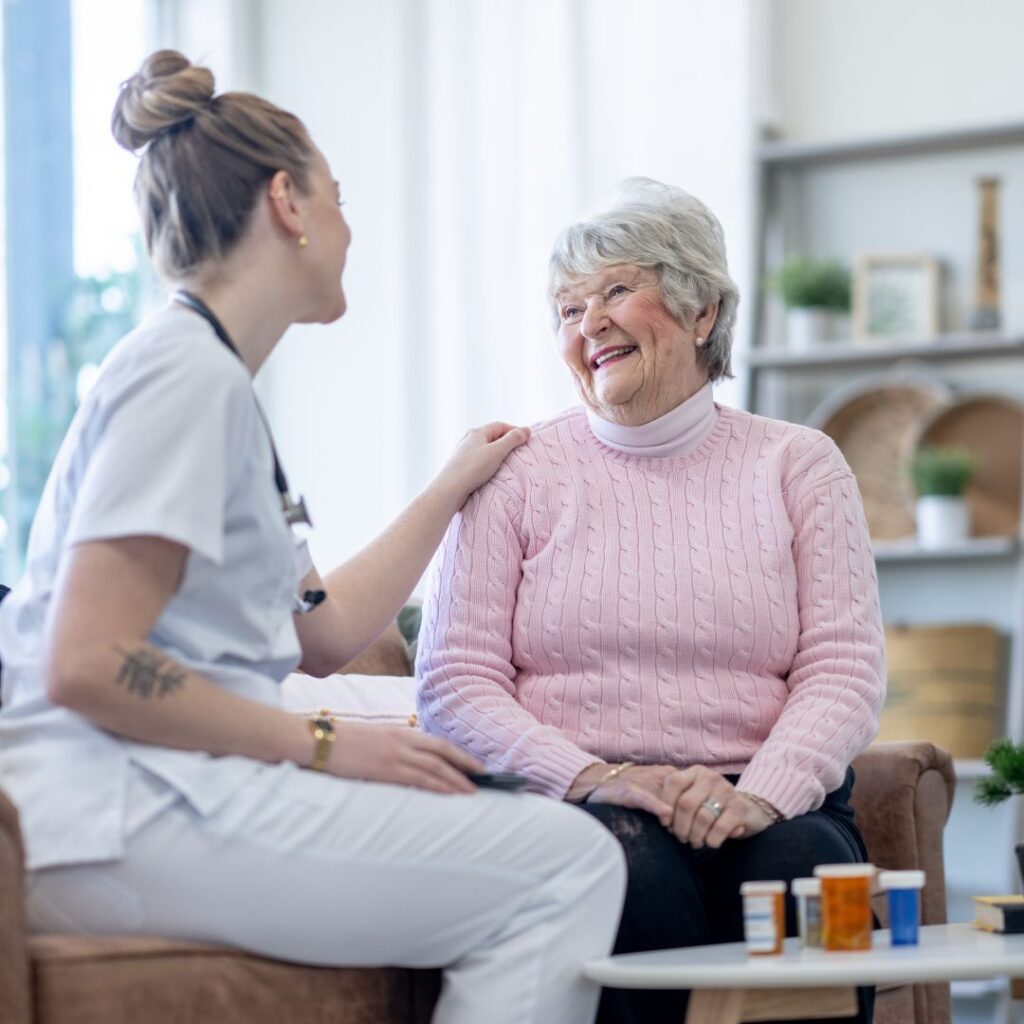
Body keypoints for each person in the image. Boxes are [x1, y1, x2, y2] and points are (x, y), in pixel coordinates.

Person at [0, 51, 626, 1024]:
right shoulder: (185, 381)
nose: (348, 225)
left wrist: (451, 484)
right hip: (109, 807)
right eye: (337, 196)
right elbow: (84, 661)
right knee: (568, 861)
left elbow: (320, 634)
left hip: (134, 801)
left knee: (542, 844)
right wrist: (323, 743)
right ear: (287, 202)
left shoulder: (207, 377)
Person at [416, 178, 885, 1024]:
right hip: (582, 797)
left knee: (796, 867)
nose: (586, 322)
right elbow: (453, 683)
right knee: (629, 871)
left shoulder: (798, 463)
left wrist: (761, 794)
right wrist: (601, 778)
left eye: (615, 291)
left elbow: (843, 667)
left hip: (764, 792)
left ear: (701, 310)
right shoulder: (517, 474)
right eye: (566, 307)